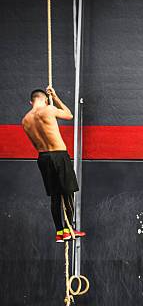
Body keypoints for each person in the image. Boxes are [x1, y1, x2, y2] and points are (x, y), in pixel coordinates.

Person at [22, 87, 86, 243]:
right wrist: (55, 97)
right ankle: (68, 229)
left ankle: (59, 231)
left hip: (43, 158)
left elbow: (34, 143)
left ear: (31, 102)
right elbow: (69, 115)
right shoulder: (49, 109)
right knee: (68, 192)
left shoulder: (25, 121)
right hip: (59, 154)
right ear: (45, 99)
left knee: (55, 196)